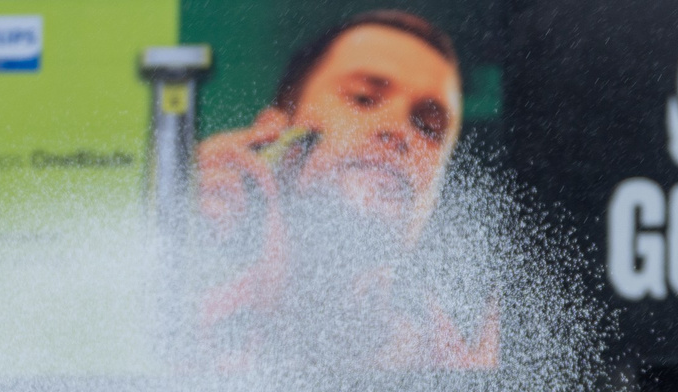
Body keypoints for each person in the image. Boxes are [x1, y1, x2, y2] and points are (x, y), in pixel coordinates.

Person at [190, 11, 497, 369]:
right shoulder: (181, 326)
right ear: (273, 133)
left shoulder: (457, 368)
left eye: (429, 128)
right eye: (364, 99)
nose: (399, 131)